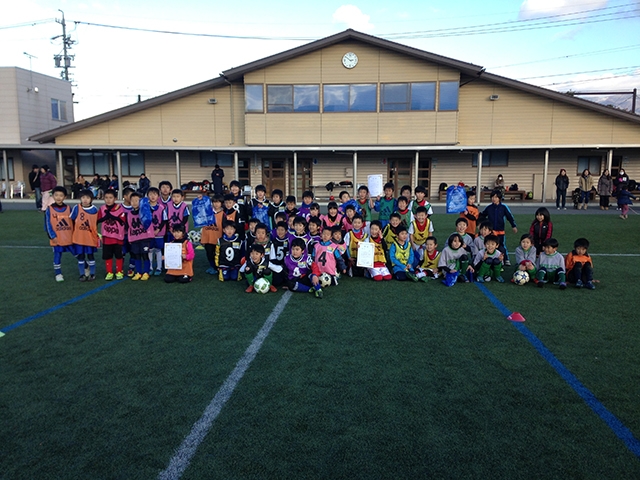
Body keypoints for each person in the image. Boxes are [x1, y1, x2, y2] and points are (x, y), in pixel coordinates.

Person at [479, 191, 517, 266]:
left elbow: (509, 216)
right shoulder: (489, 208)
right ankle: (489, 258)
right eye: (492, 197)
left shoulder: (503, 207)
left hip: (500, 231)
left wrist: (513, 226)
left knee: (502, 246)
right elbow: (482, 215)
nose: (494, 199)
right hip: (491, 231)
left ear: (499, 198)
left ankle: (505, 259)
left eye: (496, 197)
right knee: (490, 244)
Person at [44, 186, 74, 282]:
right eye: (56, 195)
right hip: (57, 238)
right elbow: (48, 224)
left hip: (69, 237)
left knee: (77, 253)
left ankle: (85, 267)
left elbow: (75, 223)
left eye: (61, 195)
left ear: (65, 197)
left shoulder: (69, 208)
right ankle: (58, 274)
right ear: (53, 196)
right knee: (57, 255)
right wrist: (52, 236)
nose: (58, 197)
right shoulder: (49, 209)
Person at [97, 189, 127, 280]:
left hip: (118, 237)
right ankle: (109, 272)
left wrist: (112, 216)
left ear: (115, 198)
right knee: (108, 256)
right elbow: (97, 220)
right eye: (106, 198)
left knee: (119, 255)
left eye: (110, 198)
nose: (108, 200)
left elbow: (123, 221)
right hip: (107, 237)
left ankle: (119, 271)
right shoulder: (102, 209)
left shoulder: (120, 209)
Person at [70, 190, 99, 281]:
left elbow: (96, 222)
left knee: (90, 256)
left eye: (87, 198)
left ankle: (92, 274)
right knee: (81, 256)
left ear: (91, 199)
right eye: (83, 198)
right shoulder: (76, 208)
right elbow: (72, 220)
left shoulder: (95, 209)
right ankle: (82, 274)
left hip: (90, 238)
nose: (85, 200)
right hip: (79, 238)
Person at [126, 192, 154, 281]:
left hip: (144, 238)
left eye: (137, 200)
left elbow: (150, 219)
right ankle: (138, 272)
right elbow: (130, 226)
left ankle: (146, 272)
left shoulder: (145, 211)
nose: (134, 202)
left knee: (145, 255)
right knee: (137, 256)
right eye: (132, 201)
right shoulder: (129, 214)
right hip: (135, 238)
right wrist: (130, 238)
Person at [201, 194, 225, 274]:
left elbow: (224, 227)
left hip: (217, 238)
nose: (216, 204)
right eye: (214, 202)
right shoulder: (207, 212)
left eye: (218, 202)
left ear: (221, 203)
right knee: (209, 253)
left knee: (217, 254)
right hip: (207, 237)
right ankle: (212, 266)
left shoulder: (223, 214)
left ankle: (217, 267)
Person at [147, 187, 168, 275]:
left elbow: (164, 220)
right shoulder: (145, 207)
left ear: (158, 196)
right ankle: (150, 267)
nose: (152, 196)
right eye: (150, 194)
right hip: (148, 233)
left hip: (159, 233)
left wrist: (158, 229)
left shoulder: (161, 207)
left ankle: (159, 267)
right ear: (147, 196)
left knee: (159, 250)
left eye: (155, 194)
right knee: (150, 250)